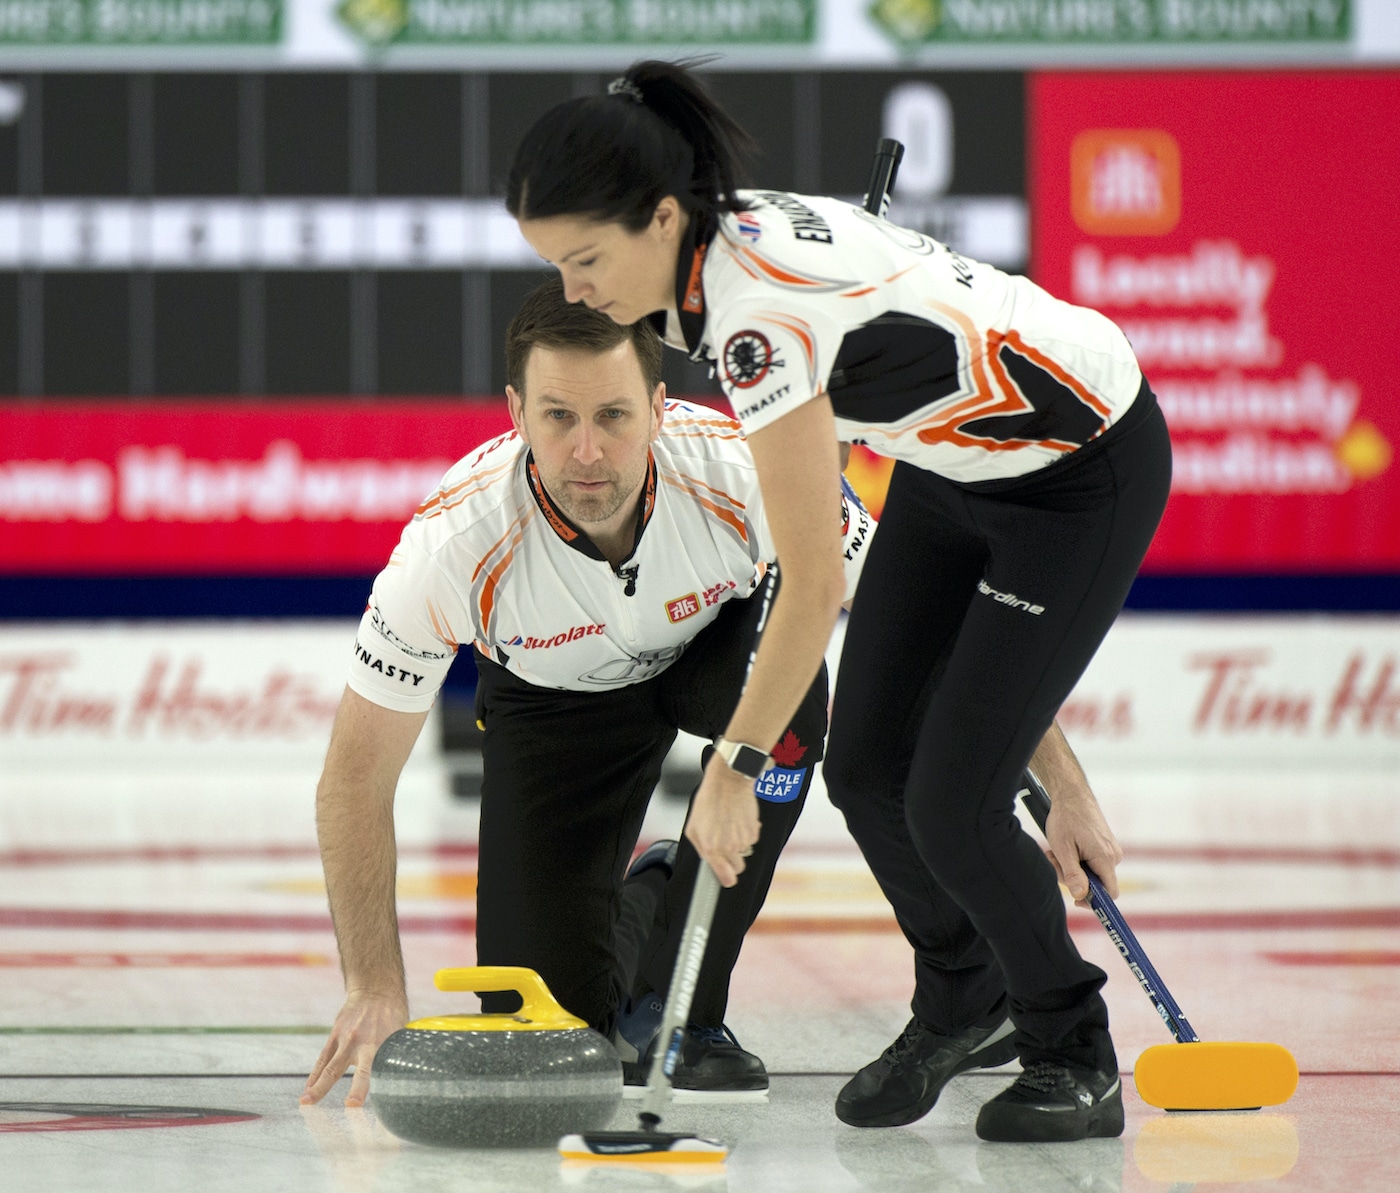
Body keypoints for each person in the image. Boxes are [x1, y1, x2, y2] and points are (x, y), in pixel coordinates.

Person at [506, 61, 1172, 1143]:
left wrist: (729, 765)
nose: (573, 290)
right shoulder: (707, 259)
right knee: (867, 765)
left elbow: (811, 585)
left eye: (584, 259)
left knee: (953, 798)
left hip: (1074, 468)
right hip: (953, 466)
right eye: (555, 264)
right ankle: (966, 993)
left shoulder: (754, 314)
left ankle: (1070, 1046)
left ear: (661, 215)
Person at [301, 276, 874, 1108]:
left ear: (659, 405)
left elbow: (919, 613)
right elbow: (354, 779)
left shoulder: (740, 468)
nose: (587, 452)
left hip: (710, 653)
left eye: (613, 415)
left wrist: (1057, 775)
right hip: (554, 707)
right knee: (538, 1033)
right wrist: (375, 986)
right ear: (515, 412)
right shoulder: (453, 542)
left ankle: (691, 1014)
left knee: (786, 707)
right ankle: (658, 887)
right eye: (558, 417)